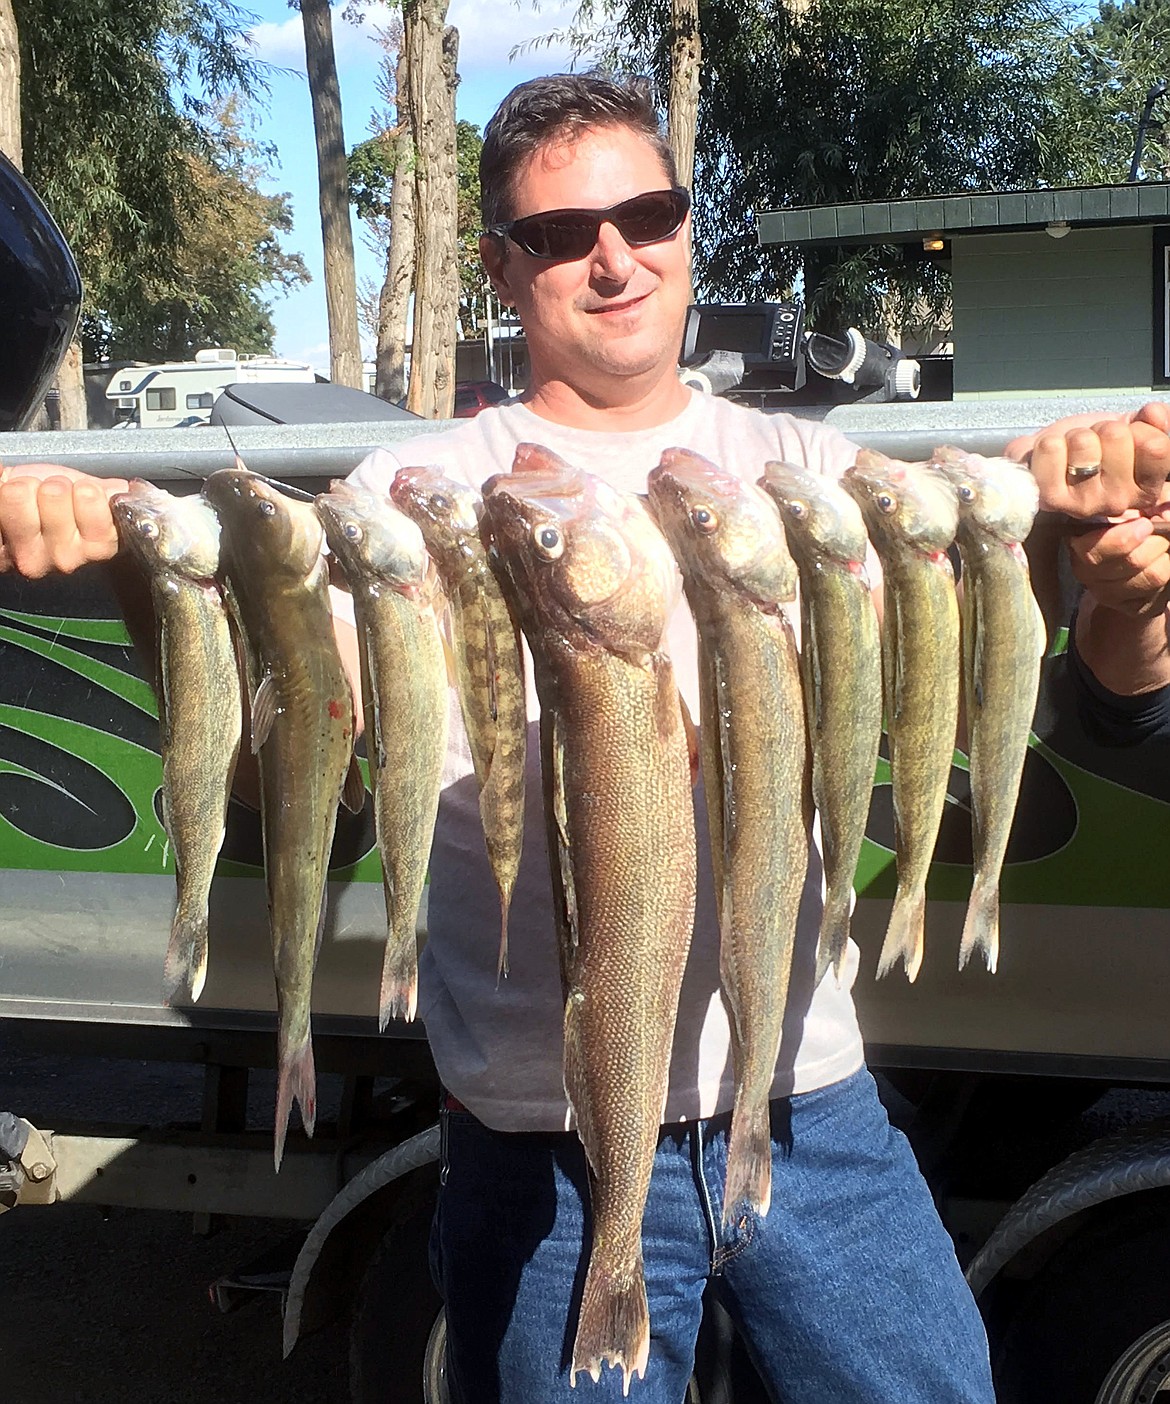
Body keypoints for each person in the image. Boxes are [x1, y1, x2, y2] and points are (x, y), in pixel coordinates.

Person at [3, 71, 1169, 1404]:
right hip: (534, 1134)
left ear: (685, 233)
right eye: (559, 235)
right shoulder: (415, 502)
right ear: (503, 268)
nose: (612, 257)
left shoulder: (814, 476)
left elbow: (1095, 691)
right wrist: (152, 587)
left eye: (647, 214)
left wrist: (1110, 554)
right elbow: (283, 773)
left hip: (807, 1100)